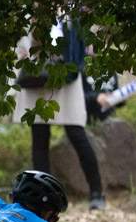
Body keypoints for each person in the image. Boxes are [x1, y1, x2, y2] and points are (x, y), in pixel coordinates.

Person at [12, 17, 105, 210]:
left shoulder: (68, 10)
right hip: (35, 74)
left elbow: (78, 41)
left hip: (65, 74)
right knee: (39, 137)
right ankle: (44, 199)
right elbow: (21, 42)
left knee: (77, 134)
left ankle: (97, 193)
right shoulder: (26, 12)